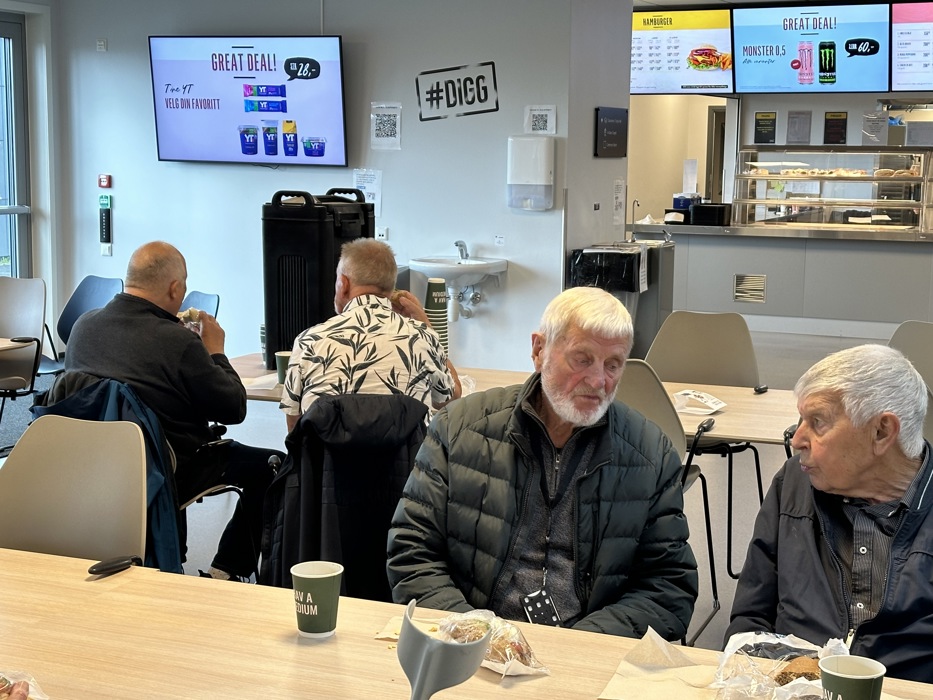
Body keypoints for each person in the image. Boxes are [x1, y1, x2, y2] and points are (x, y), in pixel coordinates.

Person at [386, 286, 698, 640]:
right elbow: (413, 551)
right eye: (582, 359)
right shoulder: (459, 429)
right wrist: (476, 635)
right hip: (471, 643)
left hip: (587, 649)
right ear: (539, 350)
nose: (599, 381)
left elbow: (668, 586)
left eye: (613, 365)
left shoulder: (650, 454)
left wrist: (581, 643)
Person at [66, 241, 281, 582]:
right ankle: (226, 571)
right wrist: (216, 351)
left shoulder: (83, 327)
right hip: (167, 470)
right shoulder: (177, 342)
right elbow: (233, 408)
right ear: (175, 288)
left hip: (92, 466)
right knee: (274, 466)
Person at [726, 344, 933, 683]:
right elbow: (750, 619)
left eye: (817, 422)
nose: (797, 440)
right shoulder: (793, 483)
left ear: (881, 432)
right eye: (801, 421)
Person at [280, 238, 460, 432]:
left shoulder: (308, 341)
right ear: (392, 288)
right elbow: (450, 398)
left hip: (325, 453)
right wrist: (427, 326)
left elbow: (294, 427)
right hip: (405, 453)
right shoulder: (422, 337)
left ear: (343, 284)